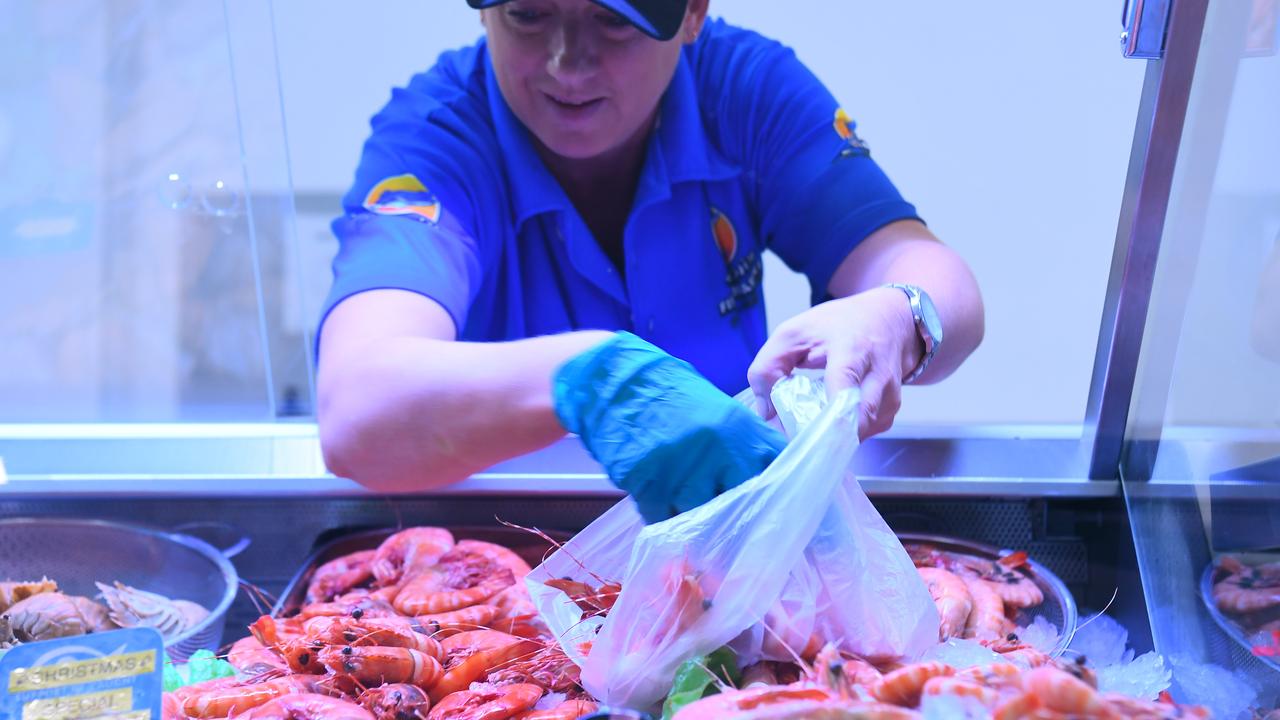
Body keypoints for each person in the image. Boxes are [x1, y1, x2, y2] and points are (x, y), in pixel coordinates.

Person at [317, 0, 984, 522]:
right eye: (528, 15)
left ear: (692, 10)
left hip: (731, 536)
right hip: (497, 563)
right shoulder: (437, 140)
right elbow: (355, 413)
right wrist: (592, 379)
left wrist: (900, 313)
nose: (567, 64)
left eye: (614, 21)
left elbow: (934, 278)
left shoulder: (745, 93)